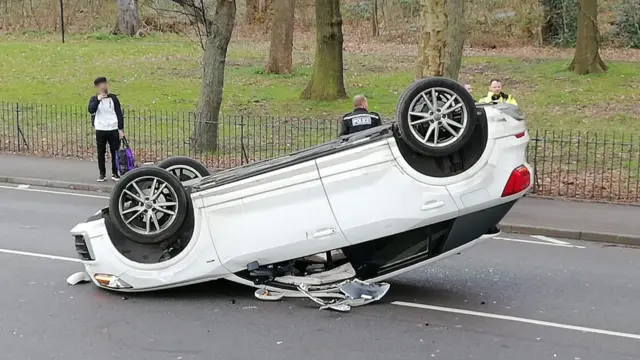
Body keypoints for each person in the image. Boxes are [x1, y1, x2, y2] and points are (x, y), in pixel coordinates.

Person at [87, 77, 125, 182]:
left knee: (115, 152)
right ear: (97, 88)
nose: (104, 87)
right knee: (101, 152)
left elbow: (118, 113)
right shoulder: (94, 99)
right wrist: (98, 100)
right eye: (101, 85)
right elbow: (91, 110)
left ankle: (115, 172)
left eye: (105, 84)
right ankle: (102, 173)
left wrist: (121, 129)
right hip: (101, 129)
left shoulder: (113, 98)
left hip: (113, 128)